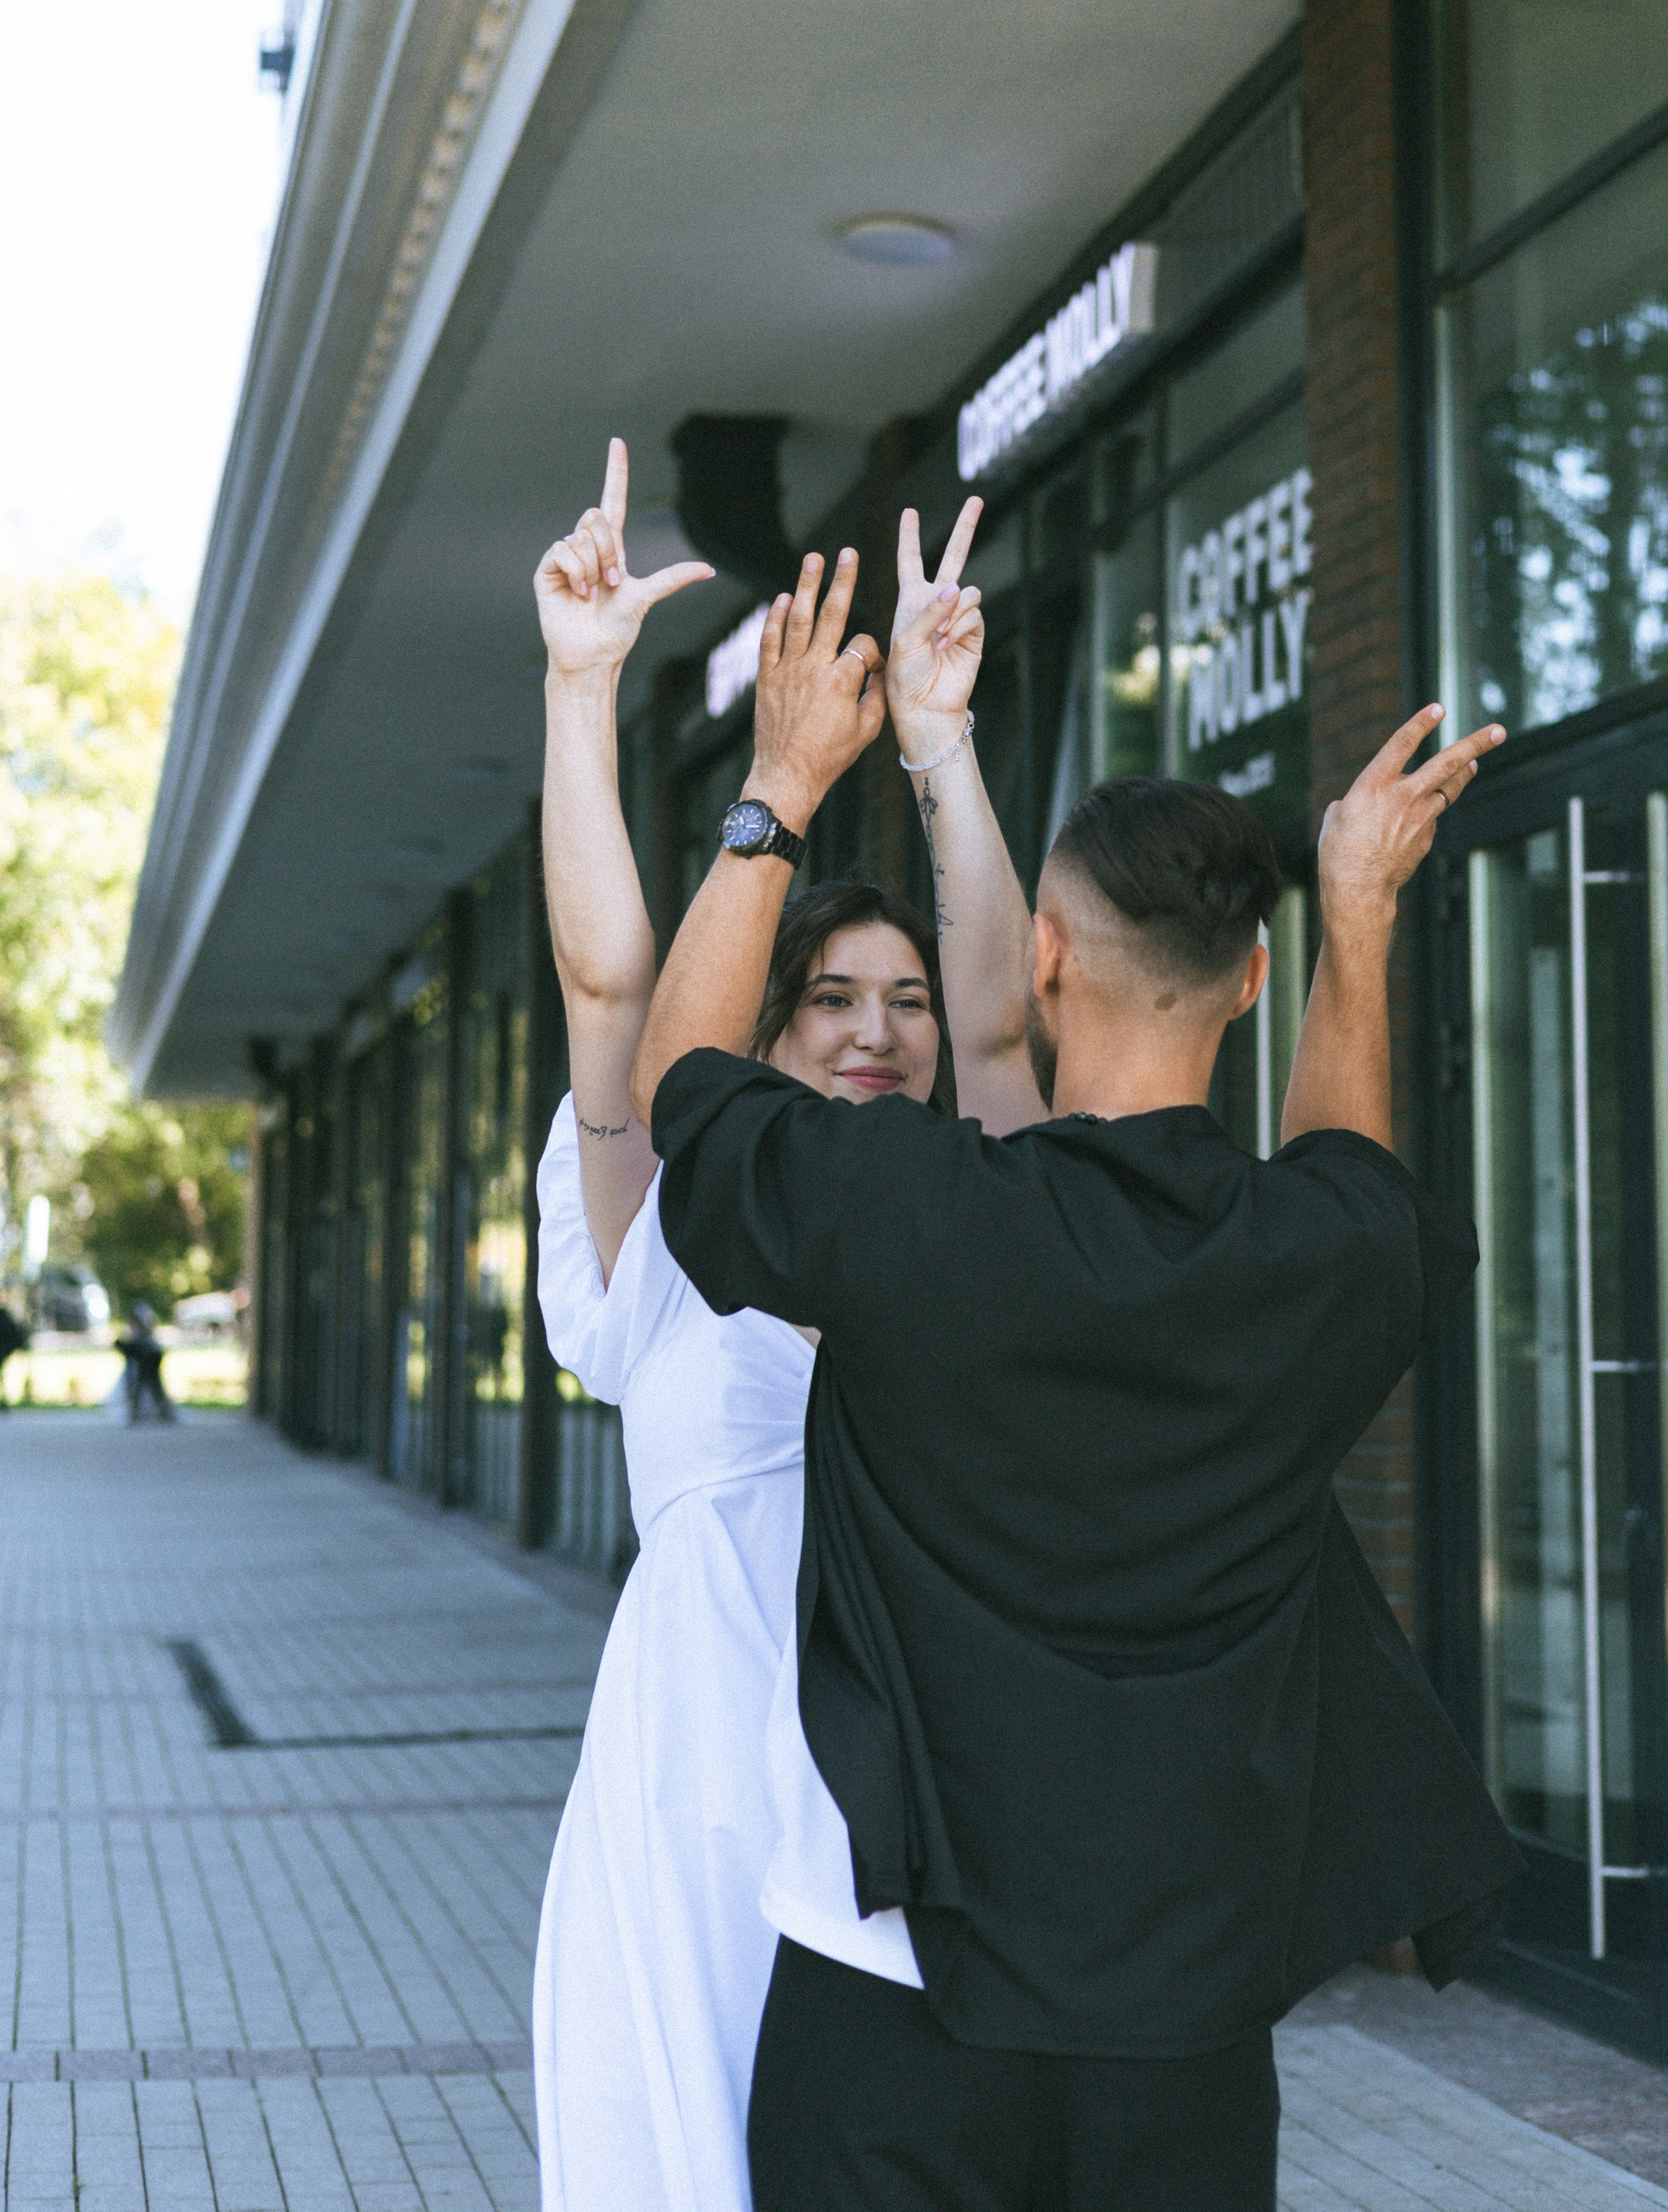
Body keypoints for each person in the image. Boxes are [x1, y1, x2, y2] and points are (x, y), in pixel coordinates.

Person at [630, 507, 1524, 2212]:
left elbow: (688, 1091)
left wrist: (783, 792)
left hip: (887, 1985)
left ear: (1041, 958)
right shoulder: (1313, 1262)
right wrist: (1358, 919)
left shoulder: (914, 1218)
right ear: (1245, 982)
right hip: (1180, 2022)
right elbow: (1351, 1177)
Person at [528, 441, 947, 2212]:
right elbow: (610, 981)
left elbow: (1003, 1029)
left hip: (906, 1746)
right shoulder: (674, 1226)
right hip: (700, 1748)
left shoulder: (961, 1225)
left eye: (900, 999)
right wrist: (580, 687)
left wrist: (938, 749)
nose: (873, 1030)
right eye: (830, 997)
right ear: (760, 1032)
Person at [113, 1302, 174, 1424]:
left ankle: (141, 1413)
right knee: (144, 1388)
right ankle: (139, 1413)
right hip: (143, 1362)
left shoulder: (144, 1334)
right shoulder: (140, 1333)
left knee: (147, 1388)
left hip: (148, 1361)